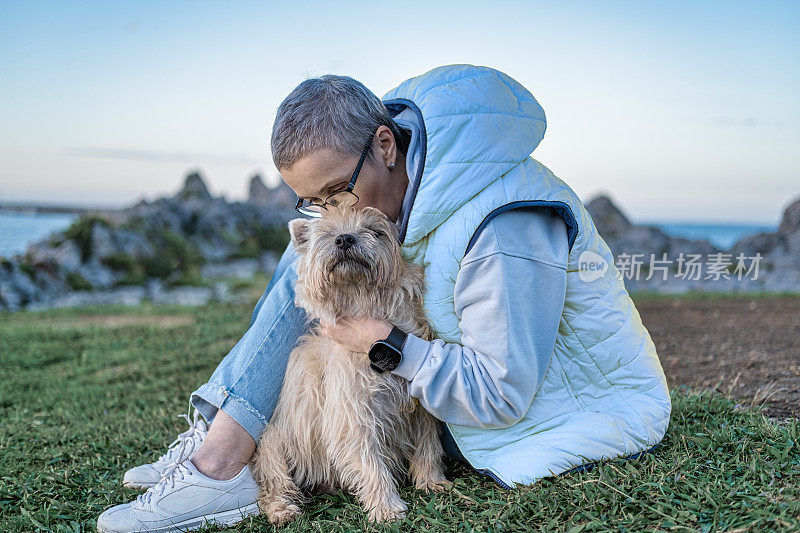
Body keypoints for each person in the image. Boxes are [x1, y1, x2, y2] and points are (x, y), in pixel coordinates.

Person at [97, 64, 671, 532]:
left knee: (329, 250)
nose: (334, 209)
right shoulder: (406, 189)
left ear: (385, 144)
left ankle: (223, 460)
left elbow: (502, 394)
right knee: (313, 250)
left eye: (338, 190)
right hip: (441, 387)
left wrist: (385, 344)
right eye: (313, 201)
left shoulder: (503, 229)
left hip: (558, 411)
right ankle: (228, 437)